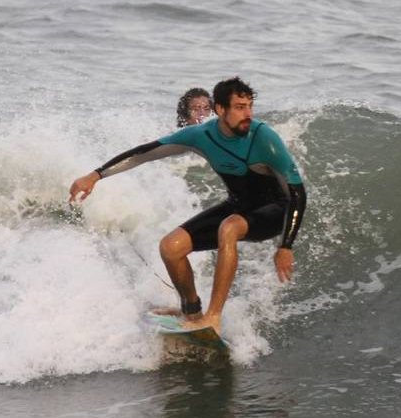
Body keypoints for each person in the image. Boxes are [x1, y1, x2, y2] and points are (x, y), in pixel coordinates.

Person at [68, 77, 306, 335]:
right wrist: (95, 176)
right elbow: (145, 152)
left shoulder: (264, 138)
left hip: (275, 210)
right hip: (238, 205)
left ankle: (213, 318)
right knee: (171, 247)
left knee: (229, 227)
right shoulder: (200, 135)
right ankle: (191, 312)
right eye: (239, 107)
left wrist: (286, 246)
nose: (247, 114)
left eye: (249, 106)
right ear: (220, 110)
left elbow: (297, 194)